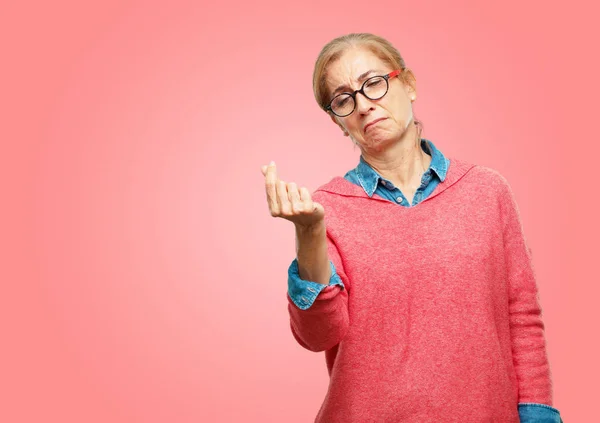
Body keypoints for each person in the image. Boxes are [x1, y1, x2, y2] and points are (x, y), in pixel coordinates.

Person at [260, 33, 563, 423]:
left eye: (373, 83)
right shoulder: (327, 208)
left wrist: (537, 415)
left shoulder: (487, 191)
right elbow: (318, 336)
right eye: (343, 99)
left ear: (409, 84)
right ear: (338, 121)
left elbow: (521, 314)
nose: (365, 105)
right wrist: (309, 236)